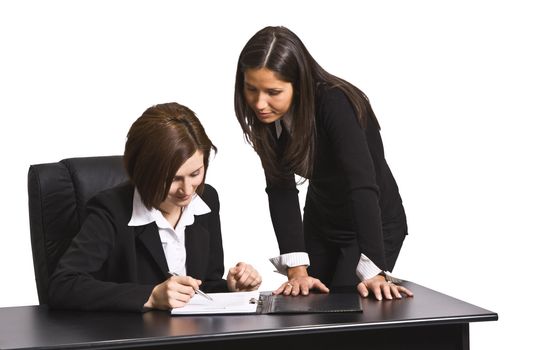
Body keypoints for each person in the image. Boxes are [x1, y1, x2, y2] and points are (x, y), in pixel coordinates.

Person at [234, 26, 413, 300]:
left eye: (273, 91)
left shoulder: (335, 103)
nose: (260, 103)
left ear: (299, 83)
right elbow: (281, 190)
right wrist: (296, 267)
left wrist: (374, 268)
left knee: (346, 305)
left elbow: (362, 185)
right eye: (251, 89)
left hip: (371, 220)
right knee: (305, 302)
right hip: (322, 220)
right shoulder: (268, 117)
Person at [48, 102, 262, 312]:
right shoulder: (111, 210)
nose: (187, 190)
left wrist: (232, 288)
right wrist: (150, 296)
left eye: (195, 174)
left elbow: (203, 284)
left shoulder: (206, 201)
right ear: (144, 171)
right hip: (134, 338)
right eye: (173, 179)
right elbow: (63, 285)